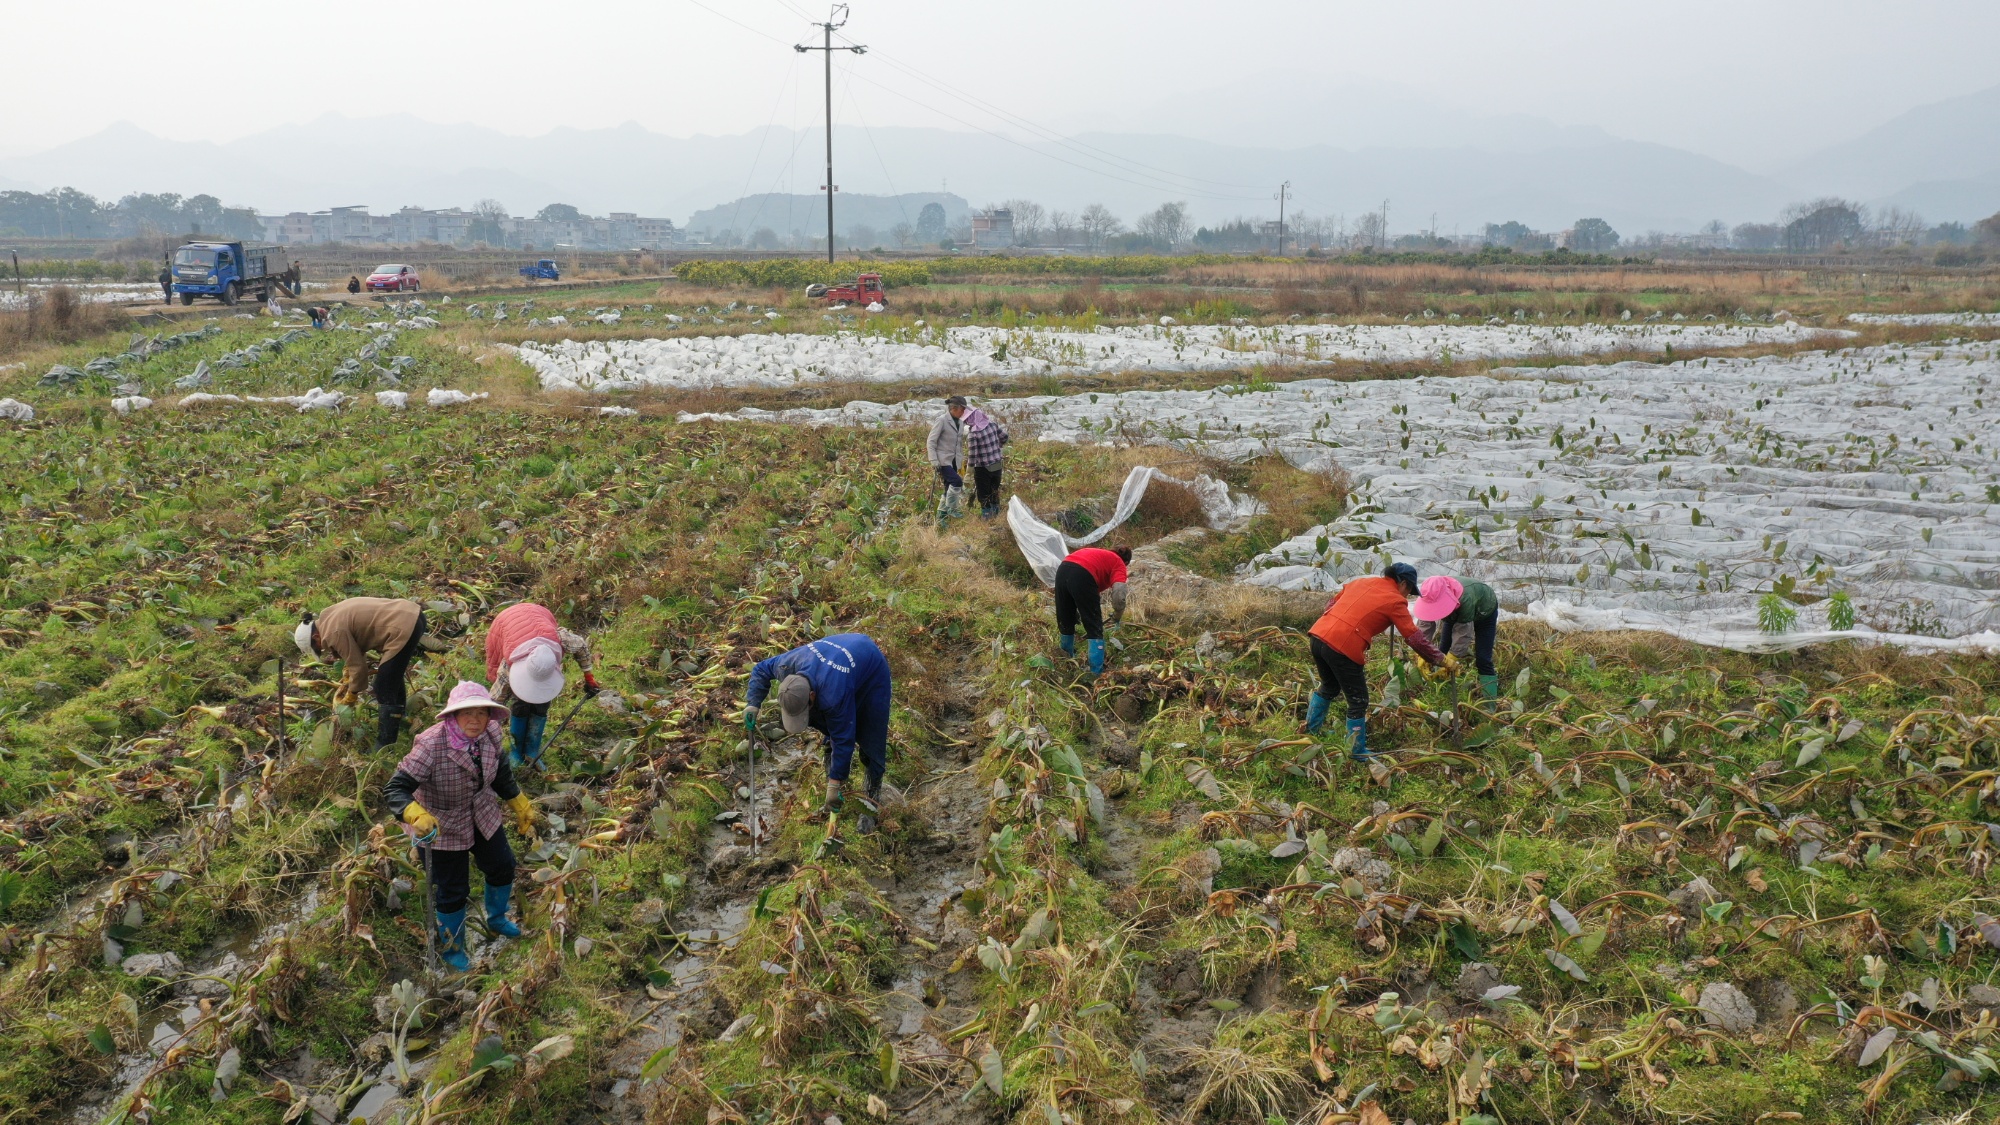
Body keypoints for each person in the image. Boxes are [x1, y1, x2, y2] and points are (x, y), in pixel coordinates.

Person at [384, 681, 536, 972]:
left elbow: (500, 769)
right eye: (466, 713)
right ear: (452, 716)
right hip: (441, 824)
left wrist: (517, 799)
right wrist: (413, 813)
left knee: (502, 864)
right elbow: (396, 787)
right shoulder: (431, 745)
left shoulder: (490, 733)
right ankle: (453, 948)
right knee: (453, 889)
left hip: (482, 810)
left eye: (481, 713)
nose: (474, 720)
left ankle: (497, 918)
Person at [745, 633, 892, 835]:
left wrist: (834, 783)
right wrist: (753, 703)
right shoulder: (786, 666)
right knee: (828, 729)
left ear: (812, 695)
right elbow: (760, 669)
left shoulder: (833, 695)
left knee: (871, 741)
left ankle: (871, 803)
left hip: (870, 668)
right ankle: (837, 790)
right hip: (838, 657)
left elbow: (844, 739)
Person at [1305, 561, 1450, 761]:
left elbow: (1330, 605)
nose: (1407, 596)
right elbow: (1413, 636)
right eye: (1409, 591)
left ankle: (1311, 731)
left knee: (1329, 686)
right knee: (1358, 700)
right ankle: (1357, 751)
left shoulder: (1361, 582)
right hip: (1343, 645)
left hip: (1318, 636)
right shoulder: (1395, 600)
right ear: (1403, 584)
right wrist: (1439, 658)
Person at [295, 596, 427, 750]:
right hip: (413, 615)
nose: (322, 649)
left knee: (383, 686)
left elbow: (358, 667)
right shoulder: (329, 617)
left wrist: (352, 694)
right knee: (391, 676)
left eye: (318, 647)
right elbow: (357, 642)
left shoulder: (332, 632)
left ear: (315, 636)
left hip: (403, 627)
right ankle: (401, 717)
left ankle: (385, 744)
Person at [484, 602, 598, 769]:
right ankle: (516, 752)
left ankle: (532, 751)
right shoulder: (508, 666)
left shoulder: (561, 639)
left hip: (538, 616)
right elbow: (496, 702)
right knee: (520, 702)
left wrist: (589, 678)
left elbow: (581, 646)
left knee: (542, 702)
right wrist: (487, 734)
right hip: (506, 625)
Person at [1412, 575, 1501, 701]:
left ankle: (1490, 702)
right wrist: (1422, 653)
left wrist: (1452, 659)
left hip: (1485, 611)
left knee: (1483, 658)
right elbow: (1424, 625)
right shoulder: (1430, 594)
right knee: (1441, 653)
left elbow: (1463, 634)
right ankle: (1443, 695)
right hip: (1454, 613)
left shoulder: (1465, 598)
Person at [1054, 545, 1130, 676]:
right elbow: (1119, 594)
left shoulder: (1099, 554)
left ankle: (1066, 663)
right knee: (1094, 627)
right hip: (1083, 574)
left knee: (1066, 619)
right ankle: (1096, 673)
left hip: (1062, 569)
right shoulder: (1119, 562)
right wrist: (1118, 614)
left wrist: (1075, 608)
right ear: (1127, 562)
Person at [961, 401, 1009, 519]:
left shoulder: (973, 434)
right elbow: (1005, 437)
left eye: (967, 419)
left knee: (983, 494)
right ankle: (996, 515)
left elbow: (973, 456)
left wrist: (968, 473)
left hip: (983, 468)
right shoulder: (992, 424)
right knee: (994, 490)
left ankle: (987, 518)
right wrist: (997, 446)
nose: (966, 422)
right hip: (997, 464)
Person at [927, 395, 967, 519]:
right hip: (942, 460)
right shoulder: (942, 420)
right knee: (957, 482)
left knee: (948, 487)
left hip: (955, 460)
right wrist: (933, 460)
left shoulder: (960, 423)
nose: (964, 412)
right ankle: (952, 508)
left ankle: (941, 516)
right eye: (962, 409)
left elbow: (959, 443)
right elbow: (931, 441)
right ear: (954, 408)